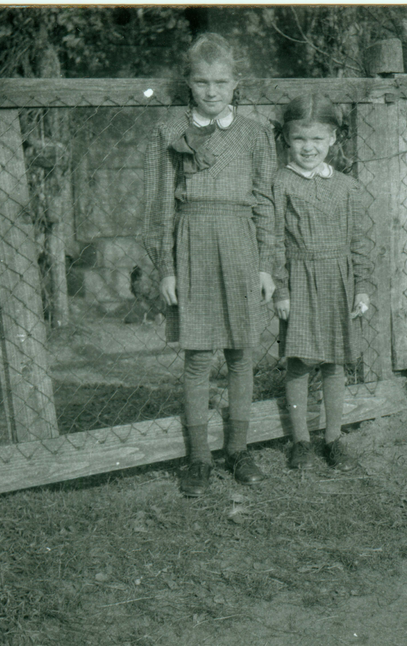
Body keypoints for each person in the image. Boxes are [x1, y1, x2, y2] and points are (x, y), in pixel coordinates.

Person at [143, 33, 277, 497]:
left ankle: (238, 449)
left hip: (241, 245)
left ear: (236, 83)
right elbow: (160, 207)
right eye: (202, 82)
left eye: (221, 81)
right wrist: (166, 268)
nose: (212, 91)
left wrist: (266, 266)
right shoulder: (169, 132)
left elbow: (265, 202)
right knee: (199, 356)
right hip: (192, 245)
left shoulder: (256, 133)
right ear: (189, 83)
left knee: (241, 353)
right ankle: (199, 458)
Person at [272, 94, 373, 472]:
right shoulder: (278, 183)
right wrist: (280, 289)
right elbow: (272, 241)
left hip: (338, 280)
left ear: (333, 139)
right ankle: (300, 440)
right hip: (299, 280)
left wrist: (362, 285)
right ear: (286, 139)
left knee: (333, 362)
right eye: (299, 139)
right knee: (299, 361)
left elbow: (360, 240)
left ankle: (333, 438)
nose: (308, 148)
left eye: (317, 139)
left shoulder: (347, 187)